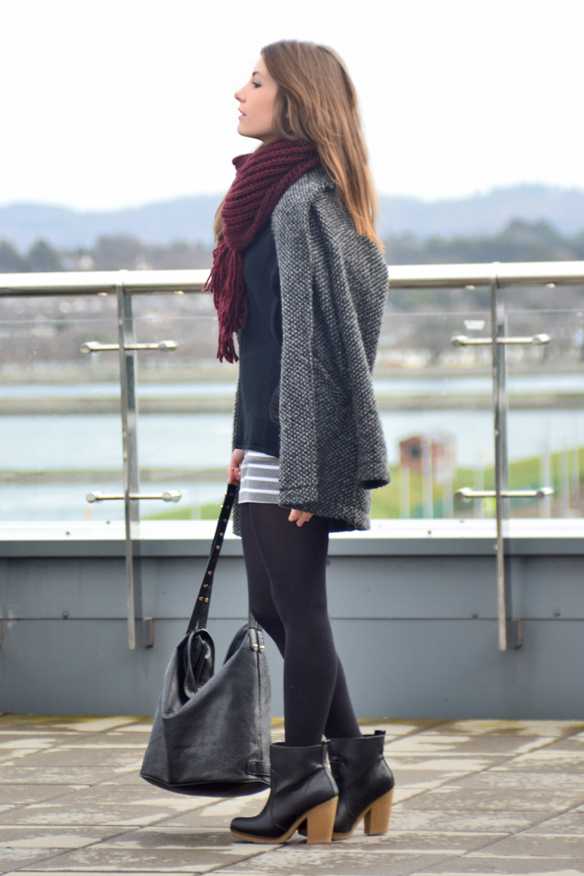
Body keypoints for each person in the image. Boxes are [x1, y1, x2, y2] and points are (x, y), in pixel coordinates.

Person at [205, 39, 394, 845]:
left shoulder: (306, 202)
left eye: (255, 81)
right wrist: (245, 438)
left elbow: (323, 345)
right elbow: (265, 339)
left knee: (300, 607)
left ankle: (303, 781)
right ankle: (360, 770)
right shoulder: (266, 193)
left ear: (294, 99)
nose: (239, 92)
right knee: (270, 607)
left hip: (302, 442)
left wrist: (307, 464)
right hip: (271, 436)